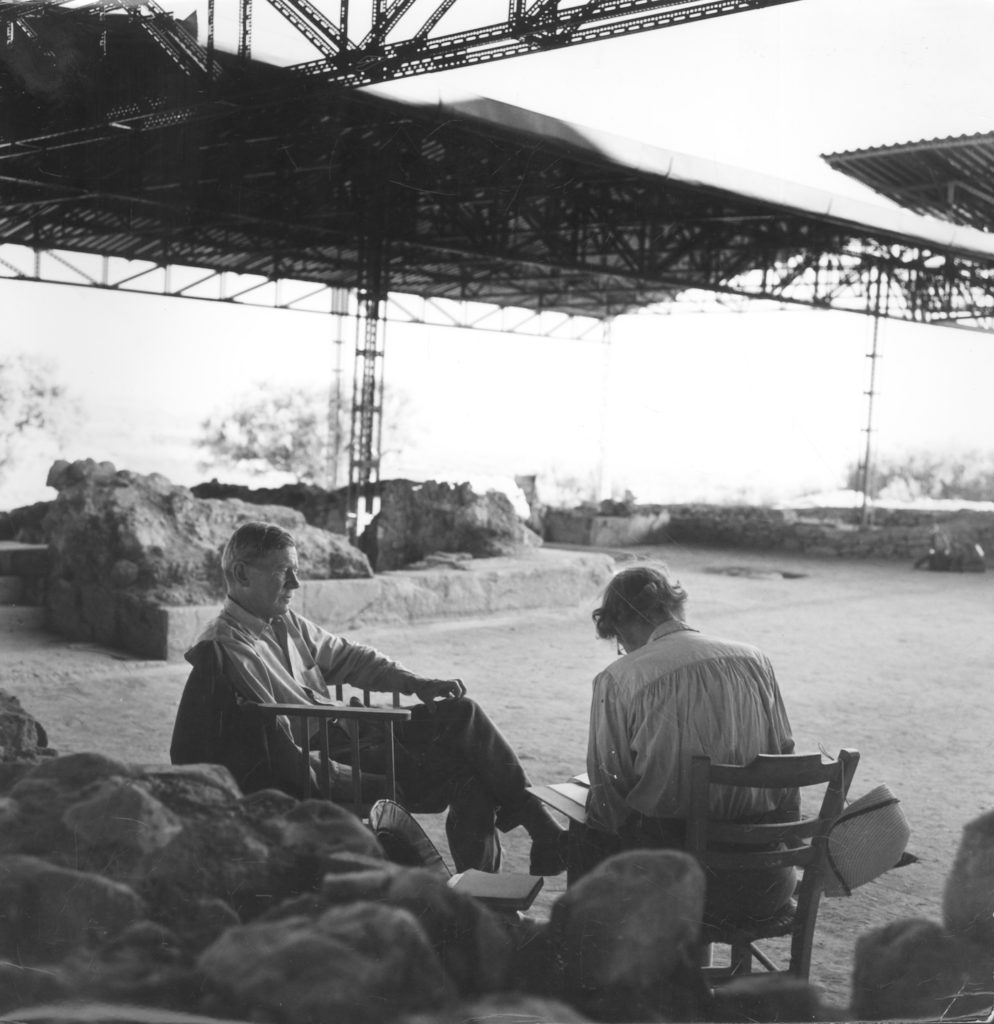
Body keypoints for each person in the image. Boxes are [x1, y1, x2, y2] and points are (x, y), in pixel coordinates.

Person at [173, 520, 565, 876]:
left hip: (357, 735)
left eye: (296, 570)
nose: (295, 583)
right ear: (242, 573)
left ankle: (511, 863)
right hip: (334, 758)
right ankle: (522, 851)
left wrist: (417, 684)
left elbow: (350, 658)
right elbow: (282, 746)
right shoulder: (227, 647)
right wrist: (357, 781)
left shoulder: (283, 621)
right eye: (283, 571)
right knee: (471, 772)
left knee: (461, 715)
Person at [572, 563, 798, 923]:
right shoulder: (754, 659)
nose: (623, 649)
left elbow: (610, 791)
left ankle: (597, 951)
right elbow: (785, 759)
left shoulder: (620, 677)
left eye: (619, 641)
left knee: (586, 827)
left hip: (676, 886)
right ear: (675, 606)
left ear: (621, 623)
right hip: (765, 880)